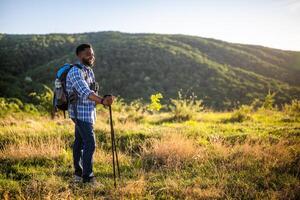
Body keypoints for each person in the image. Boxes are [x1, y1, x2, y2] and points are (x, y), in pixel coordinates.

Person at [66, 43, 114, 184]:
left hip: (87, 113)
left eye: (92, 54)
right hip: (79, 113)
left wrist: (103, 99)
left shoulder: (89, 71)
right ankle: (88, 178)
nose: (91, 56)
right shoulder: (75, 71)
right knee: (90, 143)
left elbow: (93, 92)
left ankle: (78, 174)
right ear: (79, 55)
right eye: (87, 53)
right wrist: (103, 101)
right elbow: (85, 92)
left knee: (80, 142)